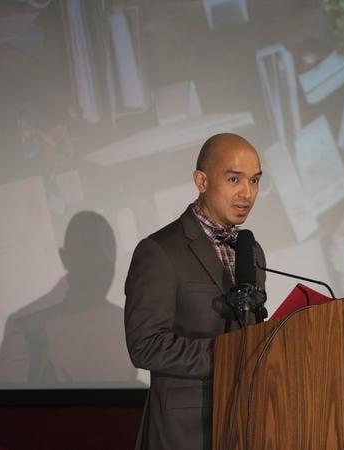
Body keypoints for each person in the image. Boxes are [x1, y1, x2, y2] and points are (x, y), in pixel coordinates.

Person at [124, 133, 266, 450]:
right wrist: (228, 357)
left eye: (255, 181)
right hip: (185, 431)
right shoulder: (159, 251)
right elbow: (145, 346)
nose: (247, 193)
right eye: (234, 179)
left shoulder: (251, 251)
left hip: (245, 425)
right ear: (201, 180)